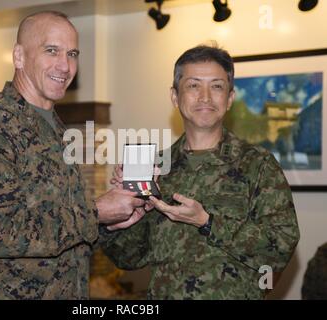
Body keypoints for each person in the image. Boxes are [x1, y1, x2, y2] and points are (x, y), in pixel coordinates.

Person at [0, 11, 145, 300]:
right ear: (18, 57)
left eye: (72, 53)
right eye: (51, 50)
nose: (65, 65)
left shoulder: (54, 129)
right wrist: (96, 212)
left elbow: (63, 229)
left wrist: (113, 215)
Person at [101, 44, 300, 299]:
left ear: (229, 98)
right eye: (193, 85)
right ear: (175, 96)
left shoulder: (258, 165)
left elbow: (280, 247)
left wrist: (207, 222)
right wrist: (122, 218)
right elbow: (128, 258)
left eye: (216, 86)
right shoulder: (155, 167)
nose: (205, 97)